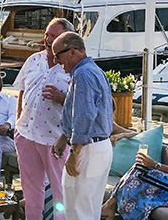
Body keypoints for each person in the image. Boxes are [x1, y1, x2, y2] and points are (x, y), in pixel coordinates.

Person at [12, 18, 74, 220]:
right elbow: (21, 90)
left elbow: (81, 105)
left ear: (66, 41)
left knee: (60, 190)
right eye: (47, 34)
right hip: (25, 133)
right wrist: (17, 121)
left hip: (54, 139)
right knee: (30, 190)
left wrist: (61, 98)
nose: (48, 39)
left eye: (53, 36)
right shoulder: (33, 60)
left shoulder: (71, 69)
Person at [51, 31, 114, 220]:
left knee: (77, 210)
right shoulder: (94, 70)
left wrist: (74, 153)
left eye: (57, 55)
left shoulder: (83, 74)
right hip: (99, 146)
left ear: (72, 52)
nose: (56, 61)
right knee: (89, 208)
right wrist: (65, 137)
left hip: (88, 148)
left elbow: (84, 115)